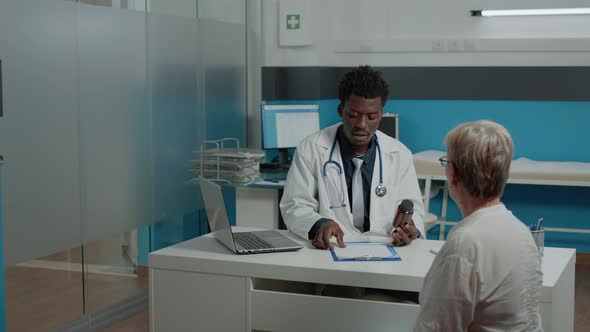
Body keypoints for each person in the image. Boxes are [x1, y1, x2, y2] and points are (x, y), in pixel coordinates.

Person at [414, 120, 543, 331]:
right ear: (505, 172)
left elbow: (435, 328)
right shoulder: (521, 231)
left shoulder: (465, 245)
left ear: (453, 173)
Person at [280, 65, 425, 249]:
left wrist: (412, 231)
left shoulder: (399, 154)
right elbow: (295, 205)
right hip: (332, 246)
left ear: (381, 114)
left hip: (386, 247)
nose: (362, 125)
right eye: (354, 115)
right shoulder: (311, 148)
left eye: (371, 116)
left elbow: (415, 210)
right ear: (341, 110)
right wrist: (318, 224)